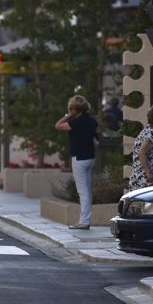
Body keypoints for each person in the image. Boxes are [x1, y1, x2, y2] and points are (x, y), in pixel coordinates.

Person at [55, 95, 97, 230]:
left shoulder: (75, 123)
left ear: (74, 109)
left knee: (83, 191)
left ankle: (84, 221)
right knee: (87, 190)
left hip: (79, 158)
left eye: (70, 108)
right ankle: (86, 219)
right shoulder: (91, 121)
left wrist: (67, 115)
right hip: (90, 157)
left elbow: (57, 126)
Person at [128, 104, 153, 191]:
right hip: (145, 177)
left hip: (140, 175)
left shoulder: (148, 130)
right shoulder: (152, 132)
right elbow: (142, 152)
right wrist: (148, 172)